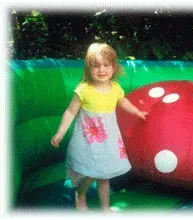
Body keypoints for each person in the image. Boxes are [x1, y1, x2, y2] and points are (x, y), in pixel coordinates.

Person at [51, 42, 148, 211]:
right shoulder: (83, 90)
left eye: (106, 65)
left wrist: (137, 112)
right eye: (96, 66)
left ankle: (105, 208)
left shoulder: (115, 88)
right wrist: (60, 133)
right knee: (91, 173)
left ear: (113, 67)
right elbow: (70, 112)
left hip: (108, 138)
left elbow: (123, 101)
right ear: (89, 69)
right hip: (88, 140)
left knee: (104, 176)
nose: (101, 70)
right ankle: (80, 194)